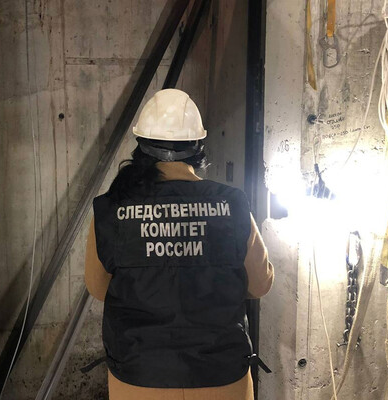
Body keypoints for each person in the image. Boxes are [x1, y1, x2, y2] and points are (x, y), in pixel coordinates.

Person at [84, 88, 274, 400]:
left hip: (139, 378)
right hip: (222, 378)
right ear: (198, 147)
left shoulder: (112, 208)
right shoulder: (232, 204)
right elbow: (259, 284)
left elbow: (98, 287)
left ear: (141, 147)